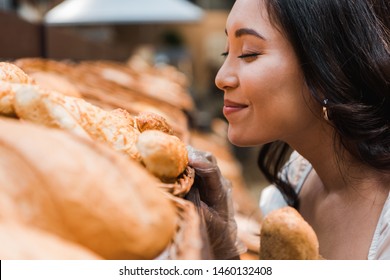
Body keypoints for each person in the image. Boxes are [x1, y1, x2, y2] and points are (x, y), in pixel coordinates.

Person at [188, 0, 390, 260]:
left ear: (327, 66)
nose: (221, 78)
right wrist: (223, 248)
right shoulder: (296, 176)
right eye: (226, 53)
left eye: (249, 53)